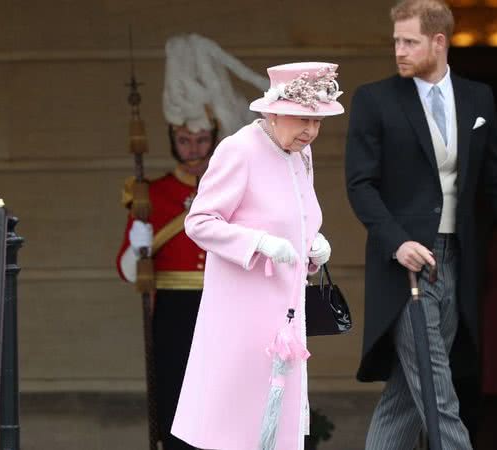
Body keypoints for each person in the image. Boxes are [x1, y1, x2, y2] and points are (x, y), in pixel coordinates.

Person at [345, 1, 497, 448]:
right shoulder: (374, 100)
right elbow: (360, 186)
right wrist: (397, 243)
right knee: (438, 394)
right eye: (395, 40)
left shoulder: (478, 98)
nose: (398, 50)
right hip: (405, 268)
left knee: (404, 400)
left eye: (410, 41)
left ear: (439, 42)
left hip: (457, 260)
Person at [171, 62, 343, 450]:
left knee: (279, 425)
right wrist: (258, 243)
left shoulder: (302, 154)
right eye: (303, 119)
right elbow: (199, 222)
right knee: (236, 427)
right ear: (273, 111)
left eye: (318, 121)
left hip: (285, 314)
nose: (311, 131)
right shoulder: (239, 149)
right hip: (241, 315)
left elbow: (296, 217)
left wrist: (313, 245)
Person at [116, 33, 267, 450]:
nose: (194, 149)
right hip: (175, 309)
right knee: (178, 397)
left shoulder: (234, 185)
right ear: (172, 140)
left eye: (201, 140)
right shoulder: (153, 192)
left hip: (226, 299)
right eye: (185, 140)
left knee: (228, 399)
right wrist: (138, 244)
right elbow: (128, 270)